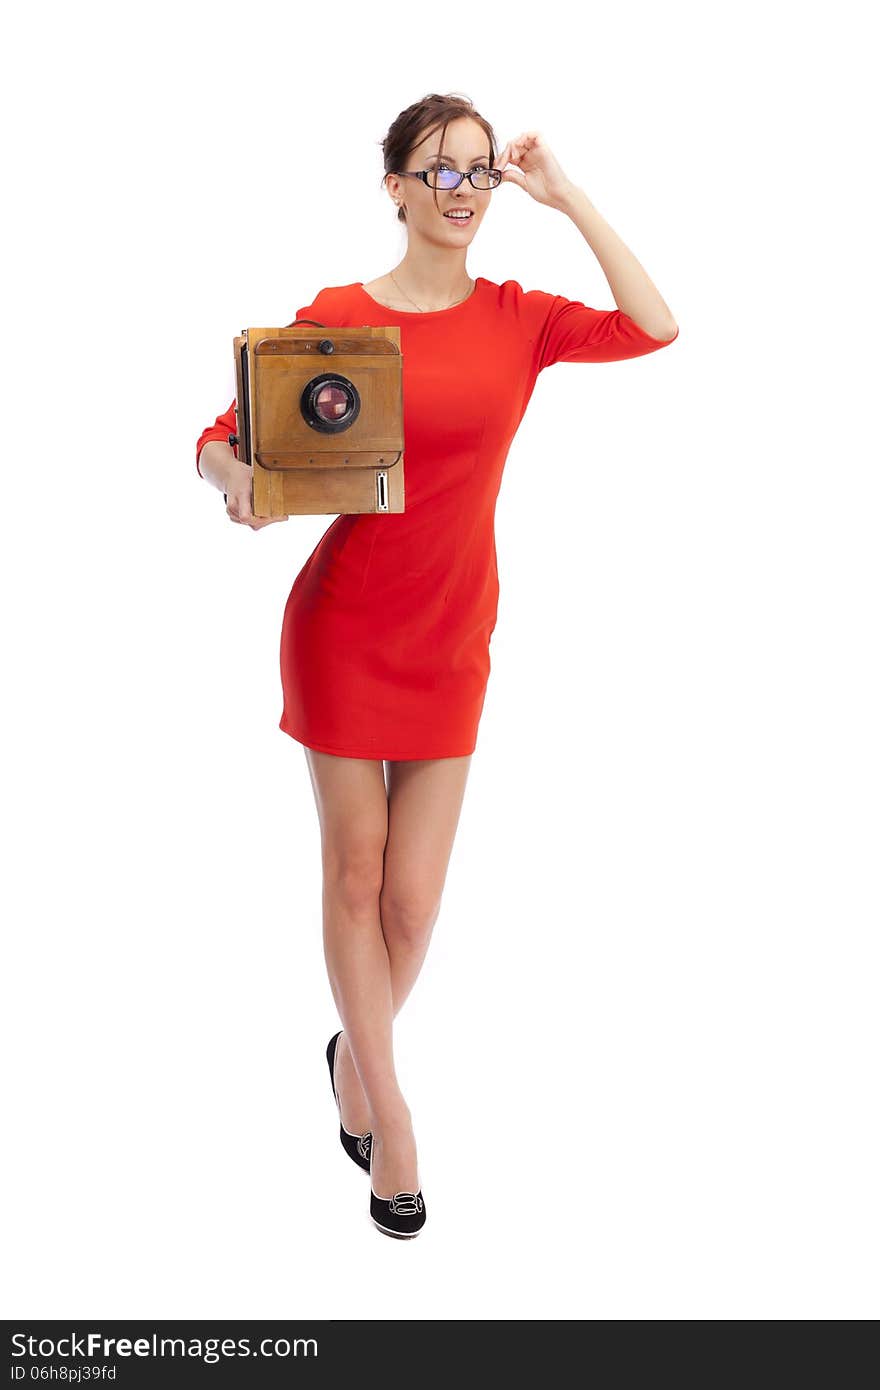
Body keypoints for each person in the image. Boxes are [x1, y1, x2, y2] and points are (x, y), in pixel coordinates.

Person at [195, 92, 679, 1239]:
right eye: (439, 171)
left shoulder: (520, 317)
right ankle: (393, 1115)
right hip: (344, 626)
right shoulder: (341, 317)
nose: (463, 192)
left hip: (454, 635)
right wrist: (242, 488)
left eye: (480, 174)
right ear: (395, 187)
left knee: (411, 907)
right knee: (355, 880)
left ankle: (348, 1060)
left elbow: (655, 325)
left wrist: (565, 197)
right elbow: (222, 436)